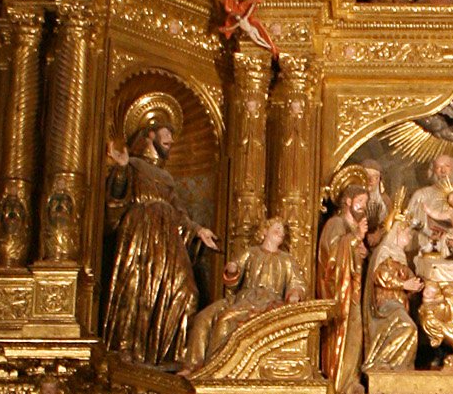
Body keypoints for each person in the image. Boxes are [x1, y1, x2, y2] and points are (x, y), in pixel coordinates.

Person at [103, 94, 218, 366]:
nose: (171, 140)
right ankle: (128, 350)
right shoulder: (132, 165)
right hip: (141, 232)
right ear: (150, 133)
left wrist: (199, 230)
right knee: (138, 290)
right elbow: (115, 200)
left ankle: (173, 356)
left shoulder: (167, 178)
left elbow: (180, 213)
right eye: (167, 133)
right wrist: (120, 170)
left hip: (169, 239)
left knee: (187, 292)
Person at [181, 215, 304, 370]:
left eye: (282, 231)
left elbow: (296, 282)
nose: (281, 232)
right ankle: (192, 366)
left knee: (225, 320)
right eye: (277, 228)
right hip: (242, 298)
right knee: (203, 318)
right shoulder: (250, 253)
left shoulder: (287, 260)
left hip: (267, 301)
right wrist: (232, 271)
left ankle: (216, 367)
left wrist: (294, 293)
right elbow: (233, 280)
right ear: (265, 231)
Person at [318, 175, 371, 394]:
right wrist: (355, 237)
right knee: (344, 331)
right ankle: (339, 382)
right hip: (340, 292)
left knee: (355, 334)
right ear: (348, 201)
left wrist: (360, 249)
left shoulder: (351, 226)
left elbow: (354, 255)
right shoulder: (336, 223)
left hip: (353, 291)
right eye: (361, 201)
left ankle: (351, 380)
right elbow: (332, 254)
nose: (364, 206)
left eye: (366, 203)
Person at [362, 209, 424, 372]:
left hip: (399, 303)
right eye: (407, 233)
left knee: (410, 328)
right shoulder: (385, 252)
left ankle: (398, 368)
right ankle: (381, 363)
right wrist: (404, 285)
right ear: (398, 232)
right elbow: (381, 276)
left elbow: (407, 279)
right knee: (408, 327)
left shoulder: (400, 255)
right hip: (386, 303)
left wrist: (415, 285)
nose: (409, 237)